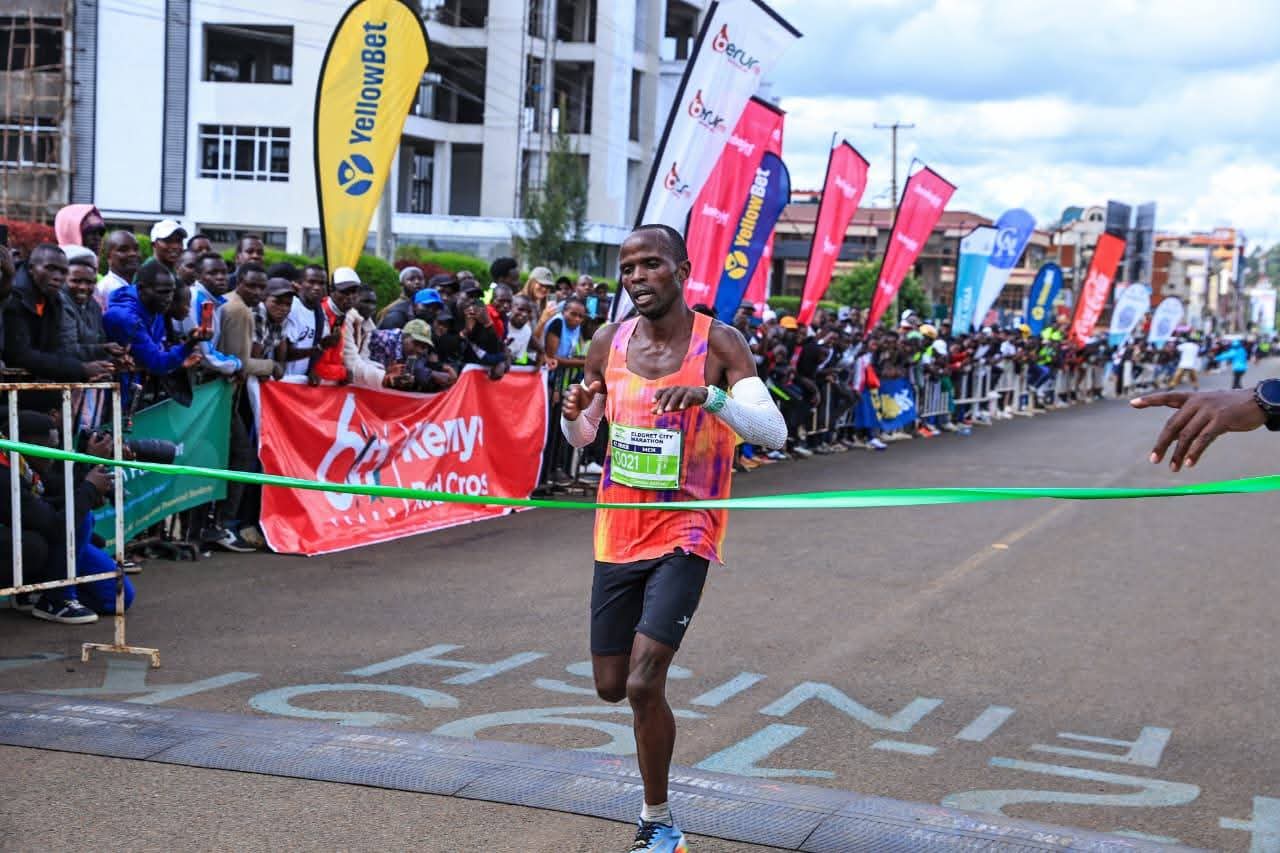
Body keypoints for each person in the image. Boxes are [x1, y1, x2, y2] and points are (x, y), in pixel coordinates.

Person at [560, 224, 786, 853]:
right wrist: (574, 412)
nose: (637, 278)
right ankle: (658, 809)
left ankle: (657, 822)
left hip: (687, 529)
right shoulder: (607, 341)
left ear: (682, 269)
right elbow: (583, 440)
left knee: (642, 682)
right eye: (627, 268)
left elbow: (774, 432)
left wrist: (712, 397)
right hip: (618, 530)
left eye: (651, 265)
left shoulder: (720, 341)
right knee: (611, 684)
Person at [3, 244, 115, 384]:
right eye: (50, 269)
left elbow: (58, 349)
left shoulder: (53, 299)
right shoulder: (13, 297)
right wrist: (81, 369)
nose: (57, 277)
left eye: (63, 272)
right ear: (31, 268)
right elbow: (20, 354)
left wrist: (107, 362)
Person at [284, 264, 337, 383]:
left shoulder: (320, 313)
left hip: (301, 383)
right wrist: (319, 348)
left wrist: (312, 370)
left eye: (321, 283)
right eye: (311, 282)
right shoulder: (291, 308)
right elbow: (285, 354)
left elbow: (315, 349)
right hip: (282, 382)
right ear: (299, 284)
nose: (317, 287)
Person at [96, 230, 140, 309]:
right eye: (123, 250)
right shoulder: (110, 288)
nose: (133, 253)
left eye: (136, 249)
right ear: (108, 257)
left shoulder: (131, 286)